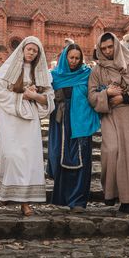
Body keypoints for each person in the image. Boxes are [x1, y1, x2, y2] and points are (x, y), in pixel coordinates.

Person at [88, 32, 129, 215]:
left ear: (117, 45)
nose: (108, 51)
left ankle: (128, 201)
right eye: (104, 48)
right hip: (111, 115)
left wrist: (123, 98)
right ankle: (111, 192)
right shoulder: (98, 70)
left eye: (110, 46)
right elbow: (91, 96)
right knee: (111, 151)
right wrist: (106, 94)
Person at [0, 36, 54, 216]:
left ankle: (25, 202)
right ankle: (7, 192)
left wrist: (35, 96)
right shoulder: (8, 68)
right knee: (11, 155)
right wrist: (22, 96)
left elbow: (49, 98)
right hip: (11, 119)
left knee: (28, 159)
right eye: (29, 49)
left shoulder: (41, 72)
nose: (31, 53)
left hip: (30, 122)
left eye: (35, 51)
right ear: (22, 49)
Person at [48, 44, 100, 211]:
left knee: (81, 159)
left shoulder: (86, 74)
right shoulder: (55, 75)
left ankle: (78, 201)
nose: (74, 61)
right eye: (71, 57)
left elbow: (95, 91)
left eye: (77, 58)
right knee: (58, 157)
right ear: (65, 57)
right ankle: (63, 197)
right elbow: (46, 94)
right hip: (60, 121)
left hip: (80, 120)